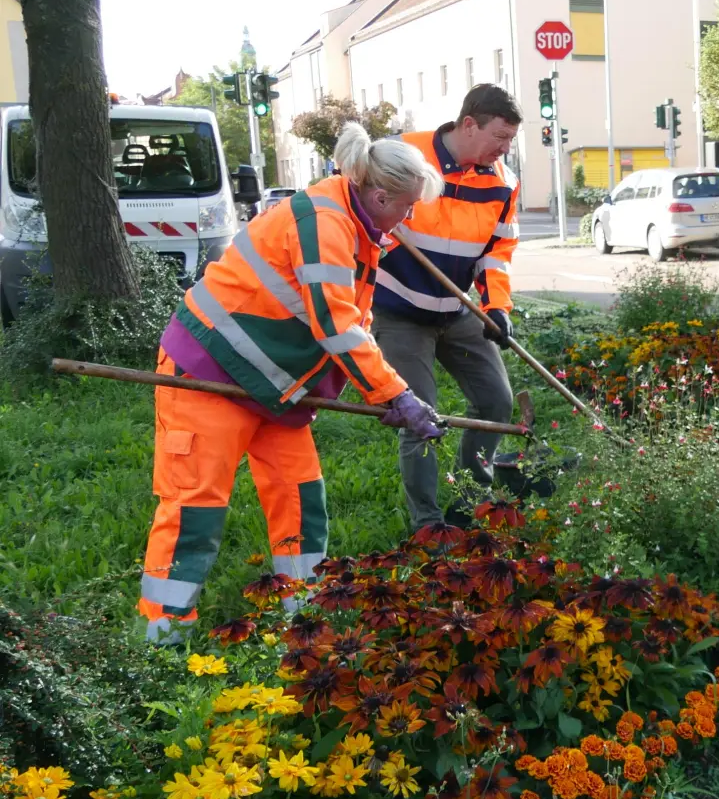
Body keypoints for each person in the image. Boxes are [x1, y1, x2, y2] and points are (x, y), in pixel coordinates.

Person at [139, 123, 446, 643]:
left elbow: (345, 322)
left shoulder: (355, 223)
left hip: (272, 384)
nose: (409, 217)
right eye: (407, 206)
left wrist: (379, 388)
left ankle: (301, 615)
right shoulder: (326, 223)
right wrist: (396, 393)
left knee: (300, 497)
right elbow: (337, 326)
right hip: (210, 371)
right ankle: (163, 636)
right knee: (195, 504)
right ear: (379, 196)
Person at [372, 84, 523, 530]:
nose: (505, 148)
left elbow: (498, 251)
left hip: (455, 308)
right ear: (469, 124)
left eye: (511, 139)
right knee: (420, 415)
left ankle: (474, 497)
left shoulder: (502, 182)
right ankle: (428, 523)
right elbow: (356, 199)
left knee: (496, 401)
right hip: (398, 308)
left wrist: (497, 307)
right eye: (500, 136)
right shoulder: (403, 155)